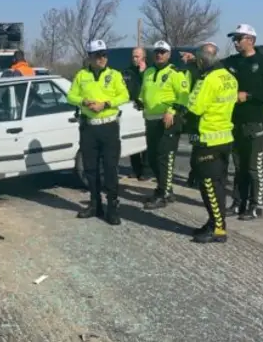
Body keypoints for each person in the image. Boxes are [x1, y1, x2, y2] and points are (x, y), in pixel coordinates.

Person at [173, 42, 238, 243]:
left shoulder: (207, 80)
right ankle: (215, 222)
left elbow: (194, 108)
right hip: (224, 137)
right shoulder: (229, 77)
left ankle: (218, 228)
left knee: (210, 186)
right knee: (218, 184)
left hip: (207, 138)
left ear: (202, 60)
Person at [67, 39, 130, 224]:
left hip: (109, 126)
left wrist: (106, 104)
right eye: (98, 55)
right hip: (89, 128)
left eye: (104, 55)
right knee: (90, 169)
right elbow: (70, 95)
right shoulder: (81, 76)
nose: (102, 58)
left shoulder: (114, 75)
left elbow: (124, 95)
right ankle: (95, 205)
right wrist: (83, 102)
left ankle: (112, 208)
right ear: (90, 57)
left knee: (110, 168)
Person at [222, 24, 263, 220]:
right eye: (234, 39)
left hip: (255, 120)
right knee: (238, 166)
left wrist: (250, 95)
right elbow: (213, 66)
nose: (235, 42)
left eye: (239, 38)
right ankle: (238, 202)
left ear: (251, 40)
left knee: (253, 166)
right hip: (235, 121)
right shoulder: (231, 62)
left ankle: (256, 205)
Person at [138, 40, 190, 209]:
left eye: (163, 52)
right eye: (157, 52)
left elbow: (184, 96)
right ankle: (164, 188)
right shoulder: (148, 72)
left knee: (164, 157)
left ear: (168, 54)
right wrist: (140, 101)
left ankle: (164, 194)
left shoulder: (175, 73)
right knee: (152, 158)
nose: (159, 55)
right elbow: (144, 92)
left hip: (167, 120)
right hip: (151, 120)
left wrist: (172, 111)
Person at [122, 47, 148, 180]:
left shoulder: (149, 72)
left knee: (145, 140)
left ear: (143, 58)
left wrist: (143, 73)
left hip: (144, 108)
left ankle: (146, 170)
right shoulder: (127, 71)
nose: (134, 59)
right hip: (130, 109)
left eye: (137, 56)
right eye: (133, 56)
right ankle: (135, 168)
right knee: (133, 138)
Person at [179, 49, 202, 187]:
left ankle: (197, 176)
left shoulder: (207, 71)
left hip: (206, 114)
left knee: (203, 148)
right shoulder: (188, 71)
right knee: (197, 148)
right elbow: (185, 91)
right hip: (194, 115)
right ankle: (194, 176)